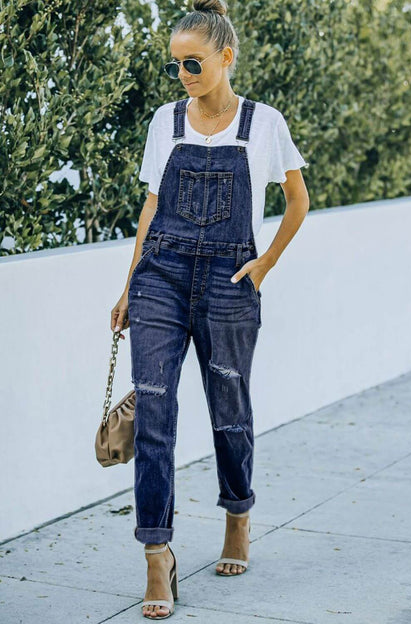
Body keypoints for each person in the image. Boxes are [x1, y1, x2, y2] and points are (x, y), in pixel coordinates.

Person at [111, 0, 310, 618]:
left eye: (193, 62)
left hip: (230, 280)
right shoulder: (164, 122)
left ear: (226, 56)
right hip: (160, 278)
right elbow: (150, 208)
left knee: (230, 407)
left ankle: (238, 516)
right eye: (176, 65)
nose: (184, 75)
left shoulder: (263, 123)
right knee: (154, 414)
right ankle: (156, 555)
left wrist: (265, 263)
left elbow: (298, 199)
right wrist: (128, 285)